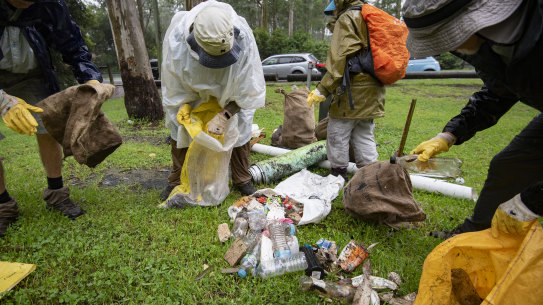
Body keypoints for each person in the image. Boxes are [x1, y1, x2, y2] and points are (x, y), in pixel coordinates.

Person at [402, 0, 543, 239]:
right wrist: (448, 135)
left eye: (445, 39)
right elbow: (497, 93)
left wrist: (531, 201)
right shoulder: (489, 47)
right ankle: (474, 234)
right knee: (508, 165)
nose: (445, 48)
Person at [0, 0, 103, 236]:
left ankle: (57, 193)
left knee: (48, 124)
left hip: (35, 73)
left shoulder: (50, 5)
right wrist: (3, 101)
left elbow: (74, 46)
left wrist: (91, 79)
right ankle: (2, 204)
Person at [160, 0, 265, 201]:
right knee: (178, 127)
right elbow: (174, 90)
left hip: (232, 94)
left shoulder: (244, 37)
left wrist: (225, 115)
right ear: (193, 41)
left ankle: (242, 178)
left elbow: (247, 91)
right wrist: (185, 112)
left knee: (241, 128)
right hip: (190, 94)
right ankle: (176, 179)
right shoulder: (176, 42)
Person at [306, 0, 385, 180]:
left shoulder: (348, 17)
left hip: (352, 89)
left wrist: (322, 89)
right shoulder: (369, 15)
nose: (332, 16)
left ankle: (338, 175)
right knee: (364, 132)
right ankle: (370, 177)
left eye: (333, 13)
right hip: (374, 88)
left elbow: (339, 58)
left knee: (337, 133)